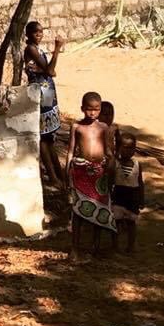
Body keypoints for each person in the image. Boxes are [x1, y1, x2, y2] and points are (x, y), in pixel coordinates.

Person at [66, 91, 117, 260]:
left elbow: (108, 150)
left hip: (99, 173)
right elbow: (71, 151)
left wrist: (110, 168)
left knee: (99, 208)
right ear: (82, 108)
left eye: (96, 109)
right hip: (81, 171)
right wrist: (67, 173)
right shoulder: (77, 127)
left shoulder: (104, 128)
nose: (92, 113)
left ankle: (95, 246)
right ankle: (75, 247)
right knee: (77, 211)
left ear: (100, 109)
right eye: (89, 109)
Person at [23, 21, 65, 187]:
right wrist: (57, 49)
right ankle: (53, 177)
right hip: (41, 94)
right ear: (28, 34)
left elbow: (49, 71)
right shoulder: (31, 49)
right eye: (36, 32)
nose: (39, 35)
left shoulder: (37, 49)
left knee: (49, 136)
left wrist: (47, 69)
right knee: (44, 137)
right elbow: (50, 71)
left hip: (47, 93)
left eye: (41, 32)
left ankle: (58, 174)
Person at [112, 132, 144, 253]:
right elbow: (111, 181)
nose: (128, 151)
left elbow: (140, 182)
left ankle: (131, 246)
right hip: (118, 196)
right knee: (116, 222)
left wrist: (141, 199)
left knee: (131, 223)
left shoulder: (137, 164)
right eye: (125, 147)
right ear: (119, 148)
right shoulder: (115, 163)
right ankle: (115, 246)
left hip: (132, 198)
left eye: (131, 148)